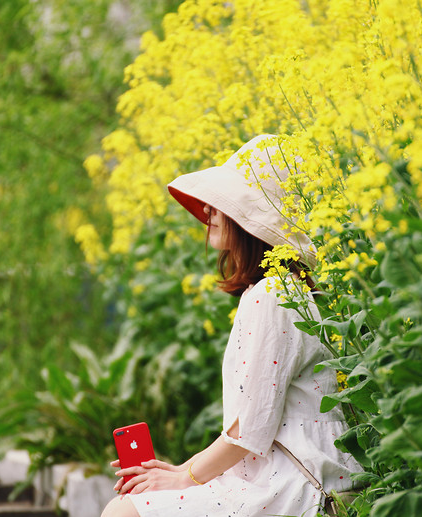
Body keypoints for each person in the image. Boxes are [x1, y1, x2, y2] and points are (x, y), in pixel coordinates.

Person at [101, 135, 362, 517]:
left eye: (224, 204)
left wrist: (184, 476)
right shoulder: (285, 288)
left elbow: (250, 430)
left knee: (124, 512)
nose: (209, 211)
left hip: (300, 483)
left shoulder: (273, 294)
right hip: (292, 473)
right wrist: (180, 472)